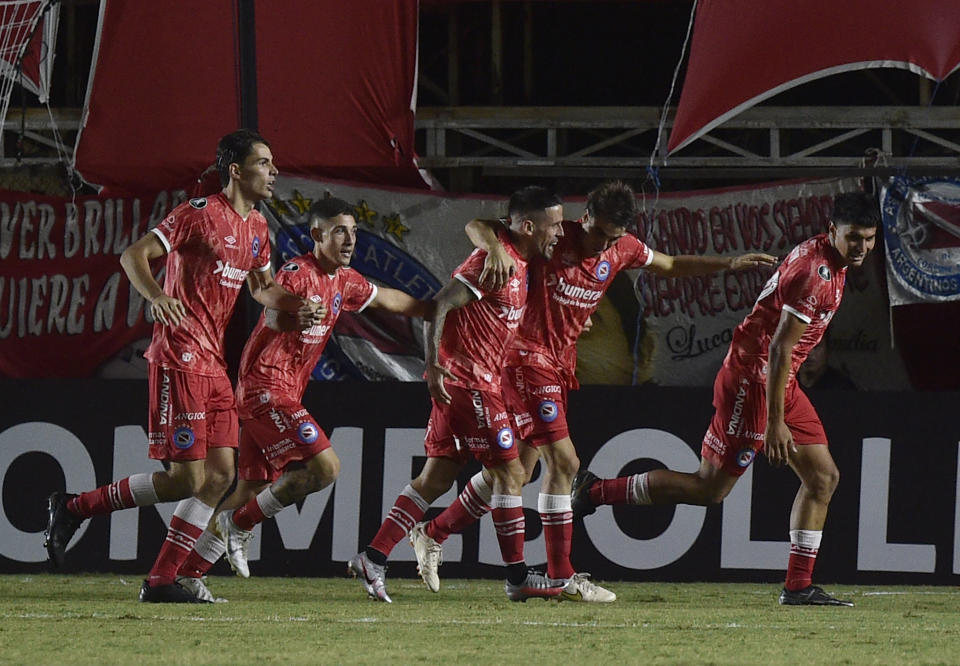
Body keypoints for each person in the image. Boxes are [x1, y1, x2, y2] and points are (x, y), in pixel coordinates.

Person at [407, 180, 777, 602]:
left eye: (611, 238)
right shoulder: (554, 237)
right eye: (597, 232)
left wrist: (730, 264)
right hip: (523, 360)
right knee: (565, 463)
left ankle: (432, 533)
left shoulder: (624, 250)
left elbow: (671, 266)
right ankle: (561, 576)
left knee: (517, 473)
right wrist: (492, 247)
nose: (602, 244)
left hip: (559, 366)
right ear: (584, 217)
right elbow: (481, 224)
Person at [43, 129, 320, 603]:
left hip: (215, 363)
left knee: (219, 477)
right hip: (179, 355)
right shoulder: (199, 214)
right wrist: (157, 296)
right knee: (187, 479)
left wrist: (297, 303)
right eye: (264, 163)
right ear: (236, 170)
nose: (274, 172)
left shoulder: (256, 228)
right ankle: (73, 507)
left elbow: (262, 289)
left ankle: (161, 580)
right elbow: (132, 255)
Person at [570, 190, 880, 607]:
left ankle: (798, 586)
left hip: (778, 382)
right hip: (755, 381)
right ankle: (594, 492)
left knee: (823, 478)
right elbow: (779, 350)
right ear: (832, 231)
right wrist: (774, 422)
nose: (861, 247)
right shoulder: (815, 274)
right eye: (854, 237)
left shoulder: (830, 260)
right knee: (708, 489)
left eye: (869, 238)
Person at [171, 198, 434, 601]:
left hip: (281, 391)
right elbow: (273, 314)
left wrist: (437, 309)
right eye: (340, 231)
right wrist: (296, 314)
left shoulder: (343, 280)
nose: (349, 239)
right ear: (316, 235)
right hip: (265, 387)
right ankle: (237, 526)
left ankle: (189, 574)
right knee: (325, 468)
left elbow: (387, 299)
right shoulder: (297, 273)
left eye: (353, 231)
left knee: (251, 487)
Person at [347, 185, 565, 603]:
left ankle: (373, 557)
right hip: (470, 383)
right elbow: (439, 305)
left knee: (436, 478)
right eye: (554, 225)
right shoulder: (493, 262)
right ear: (528, 226)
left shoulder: (514, 258)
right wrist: (432, 366)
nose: (559, 233)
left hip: (469, 384)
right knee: (510, 474)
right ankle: (518, 577)